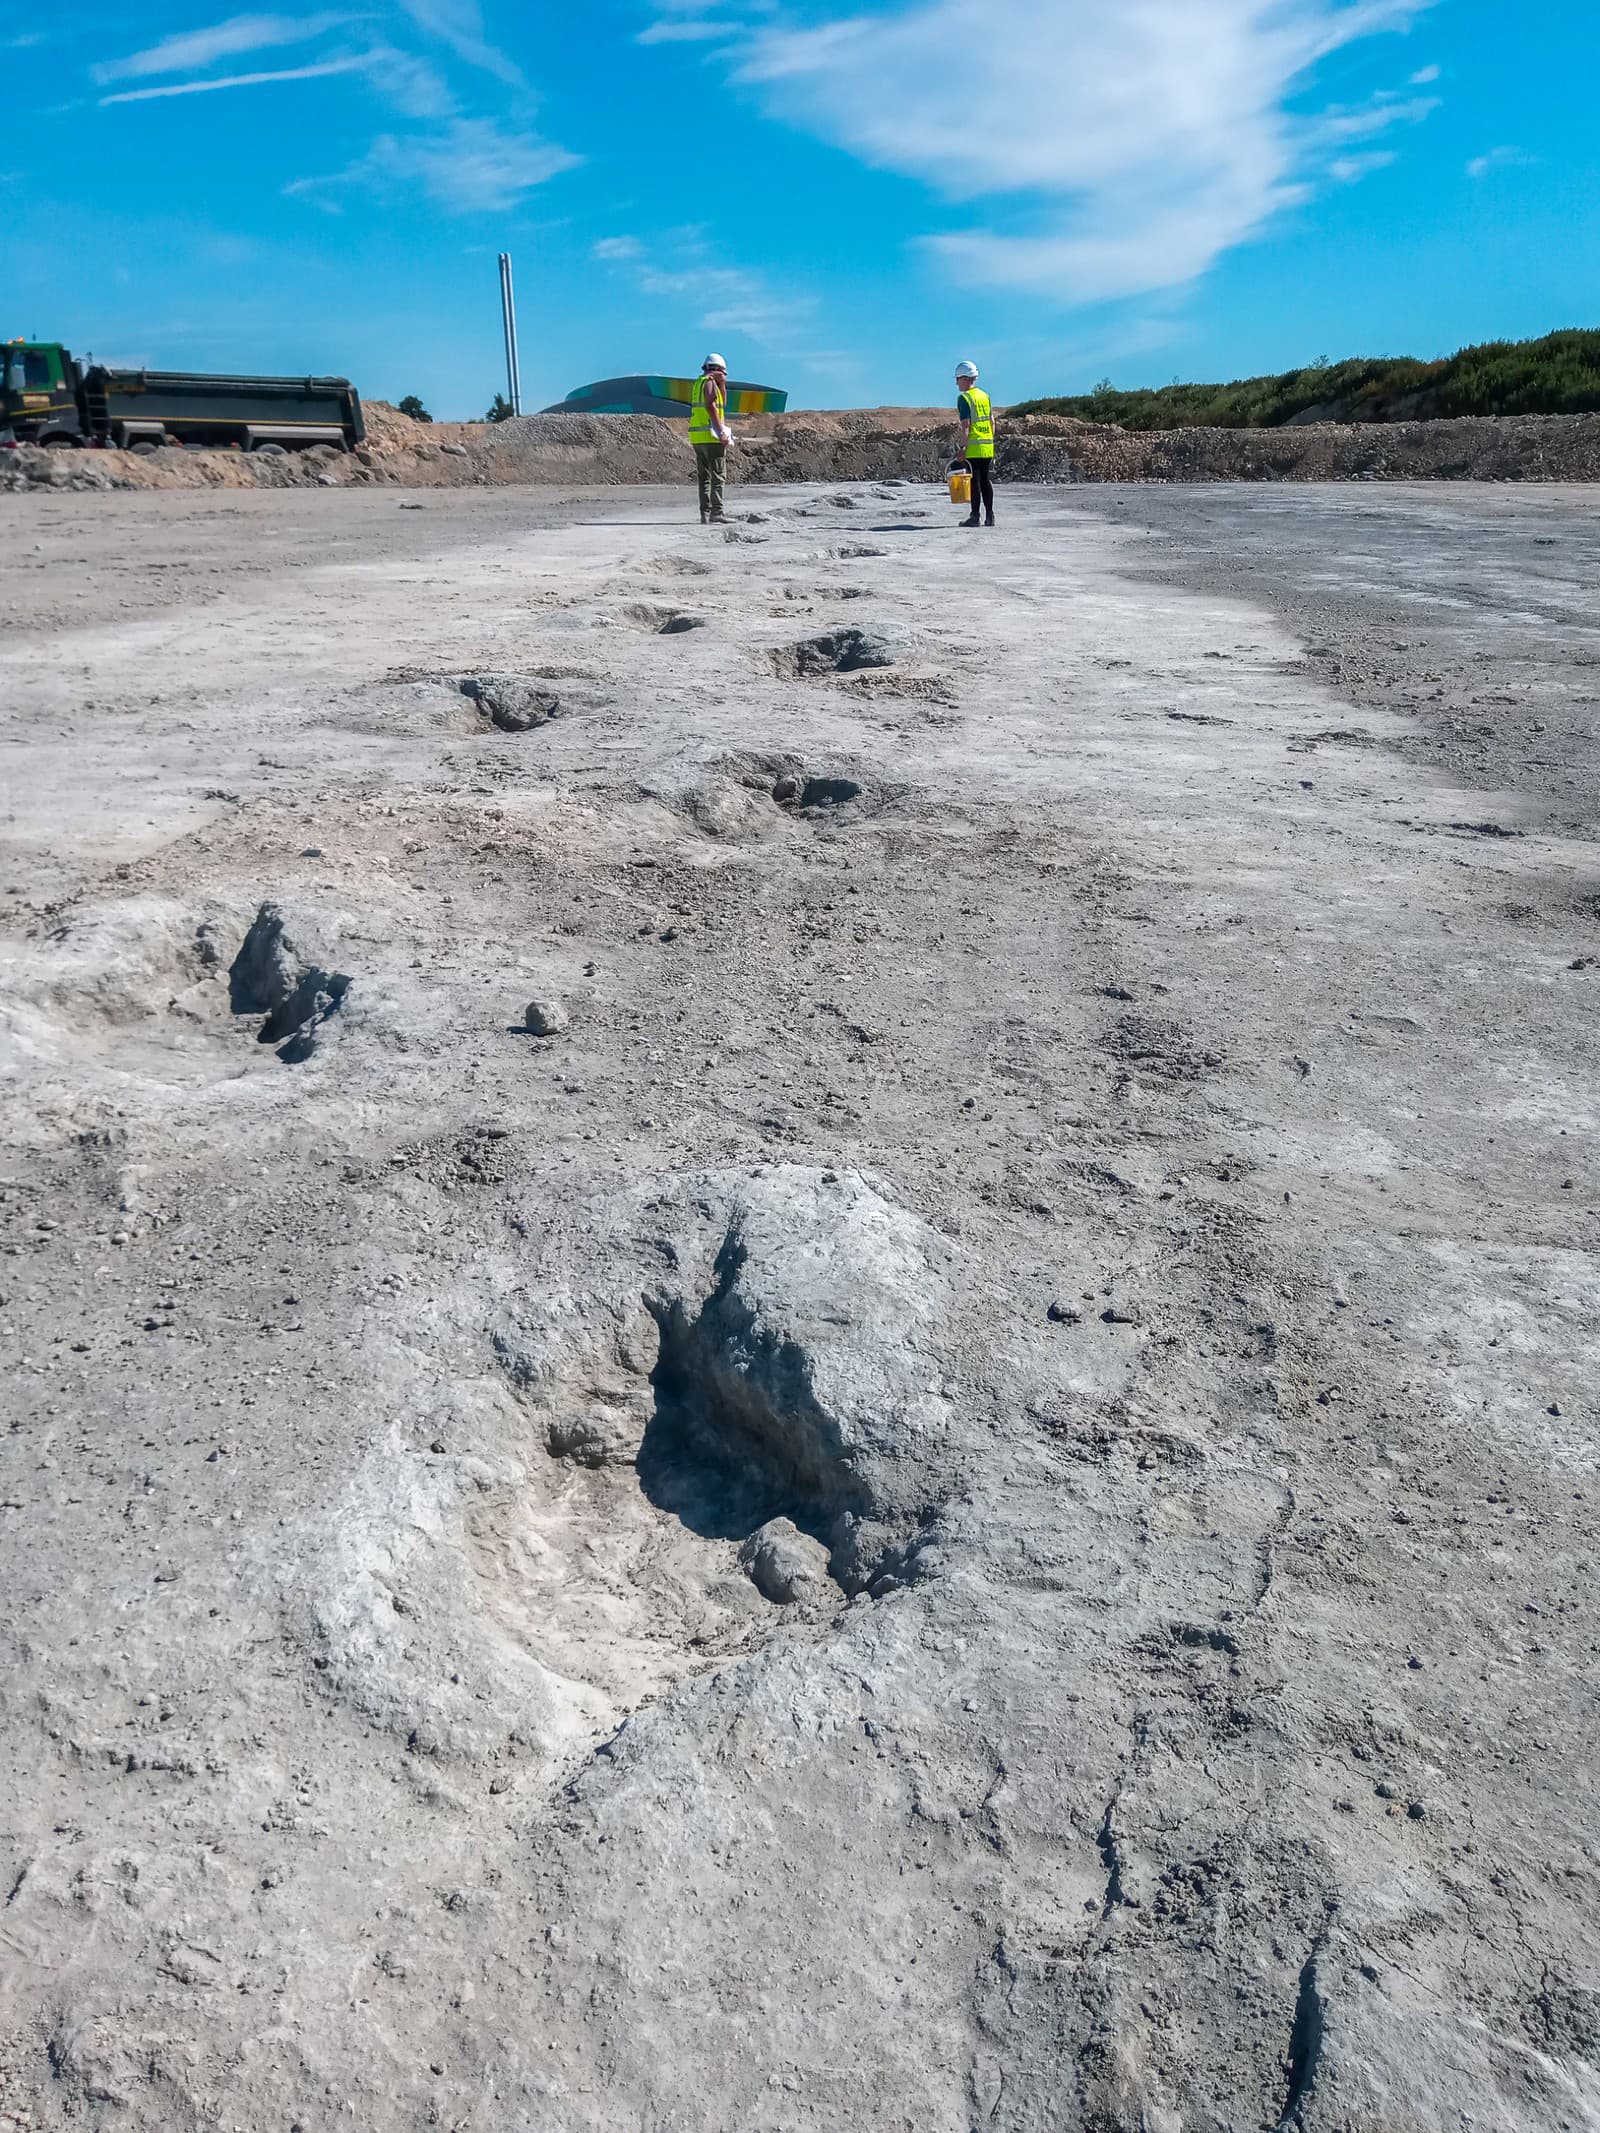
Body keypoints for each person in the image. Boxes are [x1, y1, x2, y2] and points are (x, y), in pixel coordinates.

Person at [689, 353, 734, 524]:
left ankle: (705, 514)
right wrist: (720, 430)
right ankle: (717, 512)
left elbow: (723, 403)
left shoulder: (698, 383)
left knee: (704, 477)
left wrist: (722, 384)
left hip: (698, 437)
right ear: (718, 370)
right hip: (711, 437)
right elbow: (710, 405)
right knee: (718, 475)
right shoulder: (708, 383)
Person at [955, 359, 996, 527]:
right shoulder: (984, 396)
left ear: (965, 378)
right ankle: (990, 516)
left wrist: (963, 448)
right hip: (987, 445)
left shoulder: (964, 398)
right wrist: (991, 440)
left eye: (957, 379)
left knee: (975, 482)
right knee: (986, 481)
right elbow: (992, 421)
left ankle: (974, 516)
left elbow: (966, 425)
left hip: (973, 446)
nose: (957, 383)